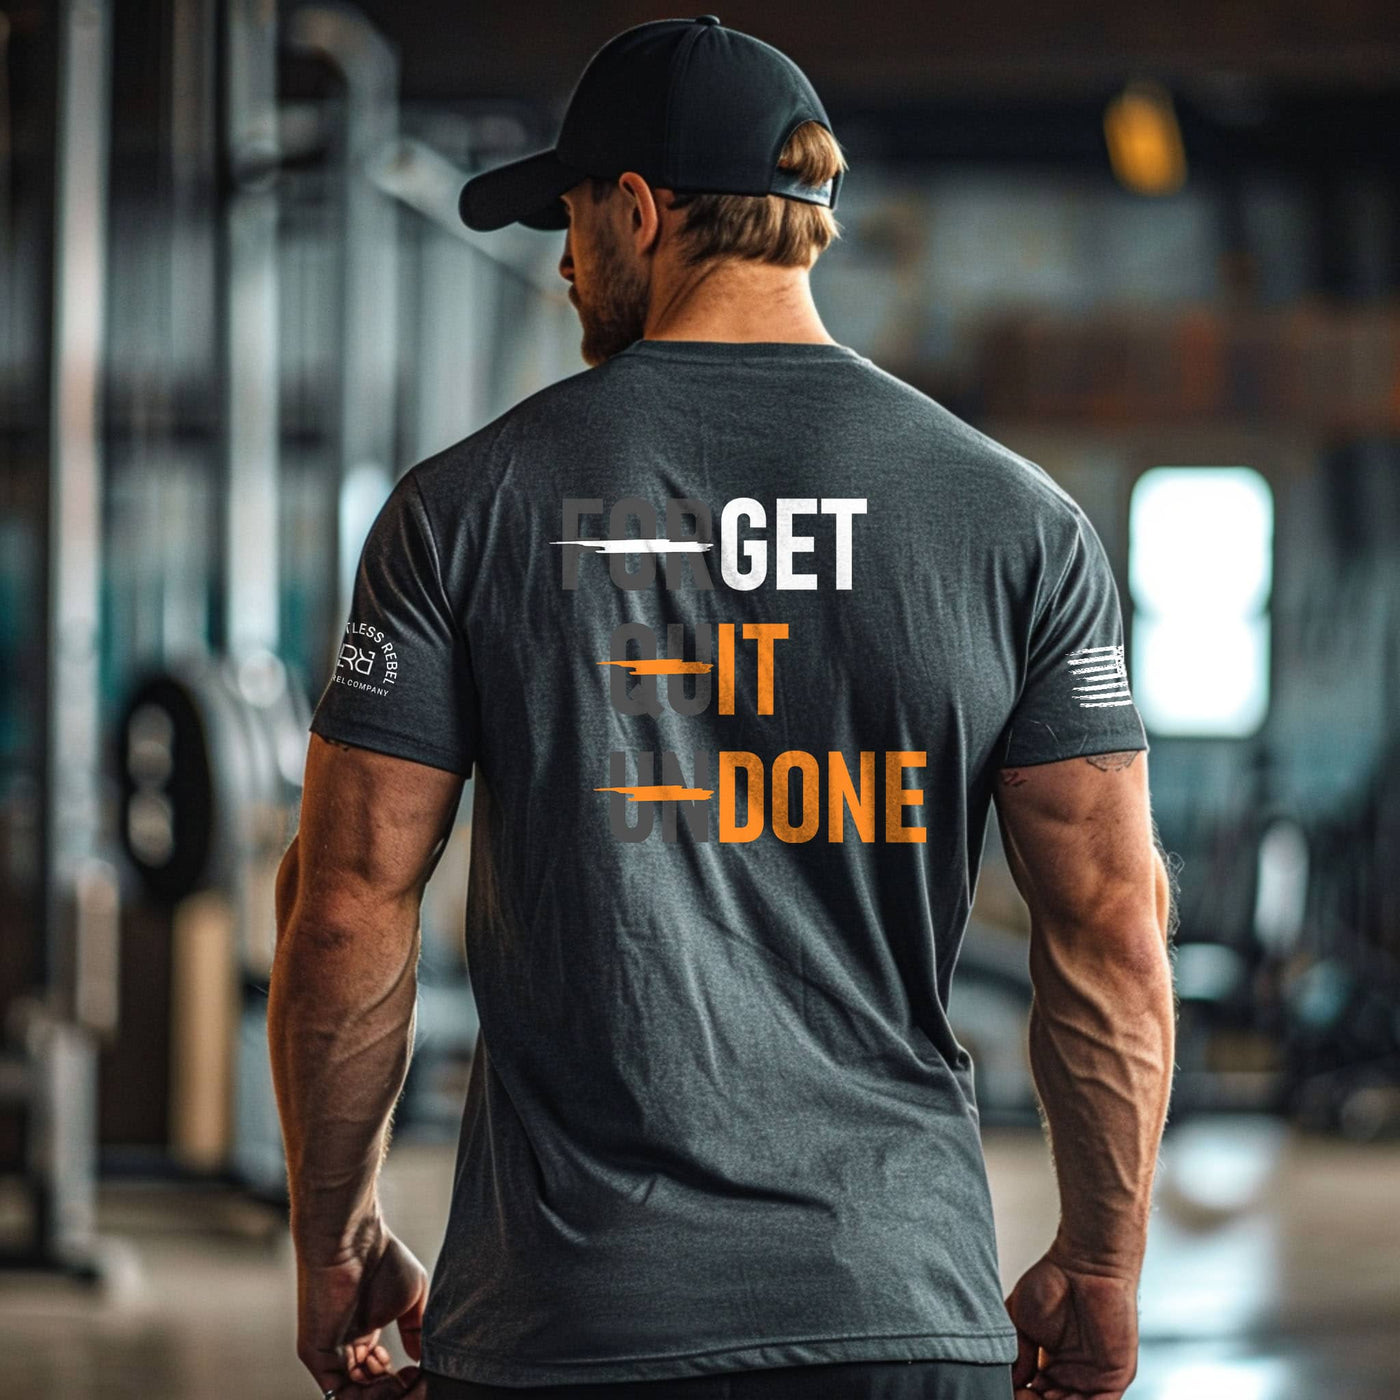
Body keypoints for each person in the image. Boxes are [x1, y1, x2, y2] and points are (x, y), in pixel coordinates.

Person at [268, 15, 1176, 1400]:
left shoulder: (463, 510)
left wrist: (334, 1239)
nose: (567, 266)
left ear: (638, 210)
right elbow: (1113, 925)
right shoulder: (1021, 527)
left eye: (571, 222)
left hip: (570, 1328)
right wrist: (1104, 1264)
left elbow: (343, 908)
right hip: (893, 1312)